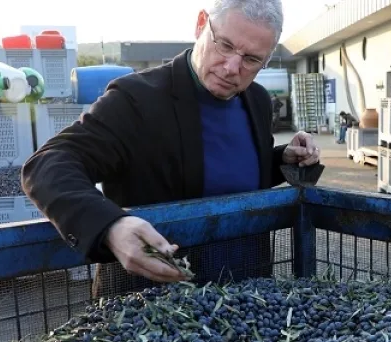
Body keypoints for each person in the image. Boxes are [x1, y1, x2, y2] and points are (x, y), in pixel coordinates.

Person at [21, 0, 321, 297]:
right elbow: (49, 164)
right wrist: (111, 226)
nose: (232, 68)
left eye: (252, 59)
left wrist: (281, 158)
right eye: (225, 45)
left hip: (244, 292)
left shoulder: (256, 100)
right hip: (153, 303)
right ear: (201, 24)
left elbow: (227, 172)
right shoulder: (136, 99)